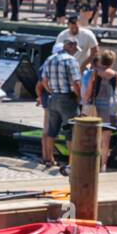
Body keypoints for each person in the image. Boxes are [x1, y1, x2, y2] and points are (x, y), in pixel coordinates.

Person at [37, 38, 83, 168]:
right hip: (67, 98)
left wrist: (51, 90)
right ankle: (72, 163)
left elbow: (44, 80)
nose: (75, 52)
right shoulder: (71, 60)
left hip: (53, 97)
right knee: (71, 131)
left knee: (52, 131)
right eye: (75, 49)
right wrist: (79, 97)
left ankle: (49, 160)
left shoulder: (50, 59)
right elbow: (76, 82)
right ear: (71, 46)